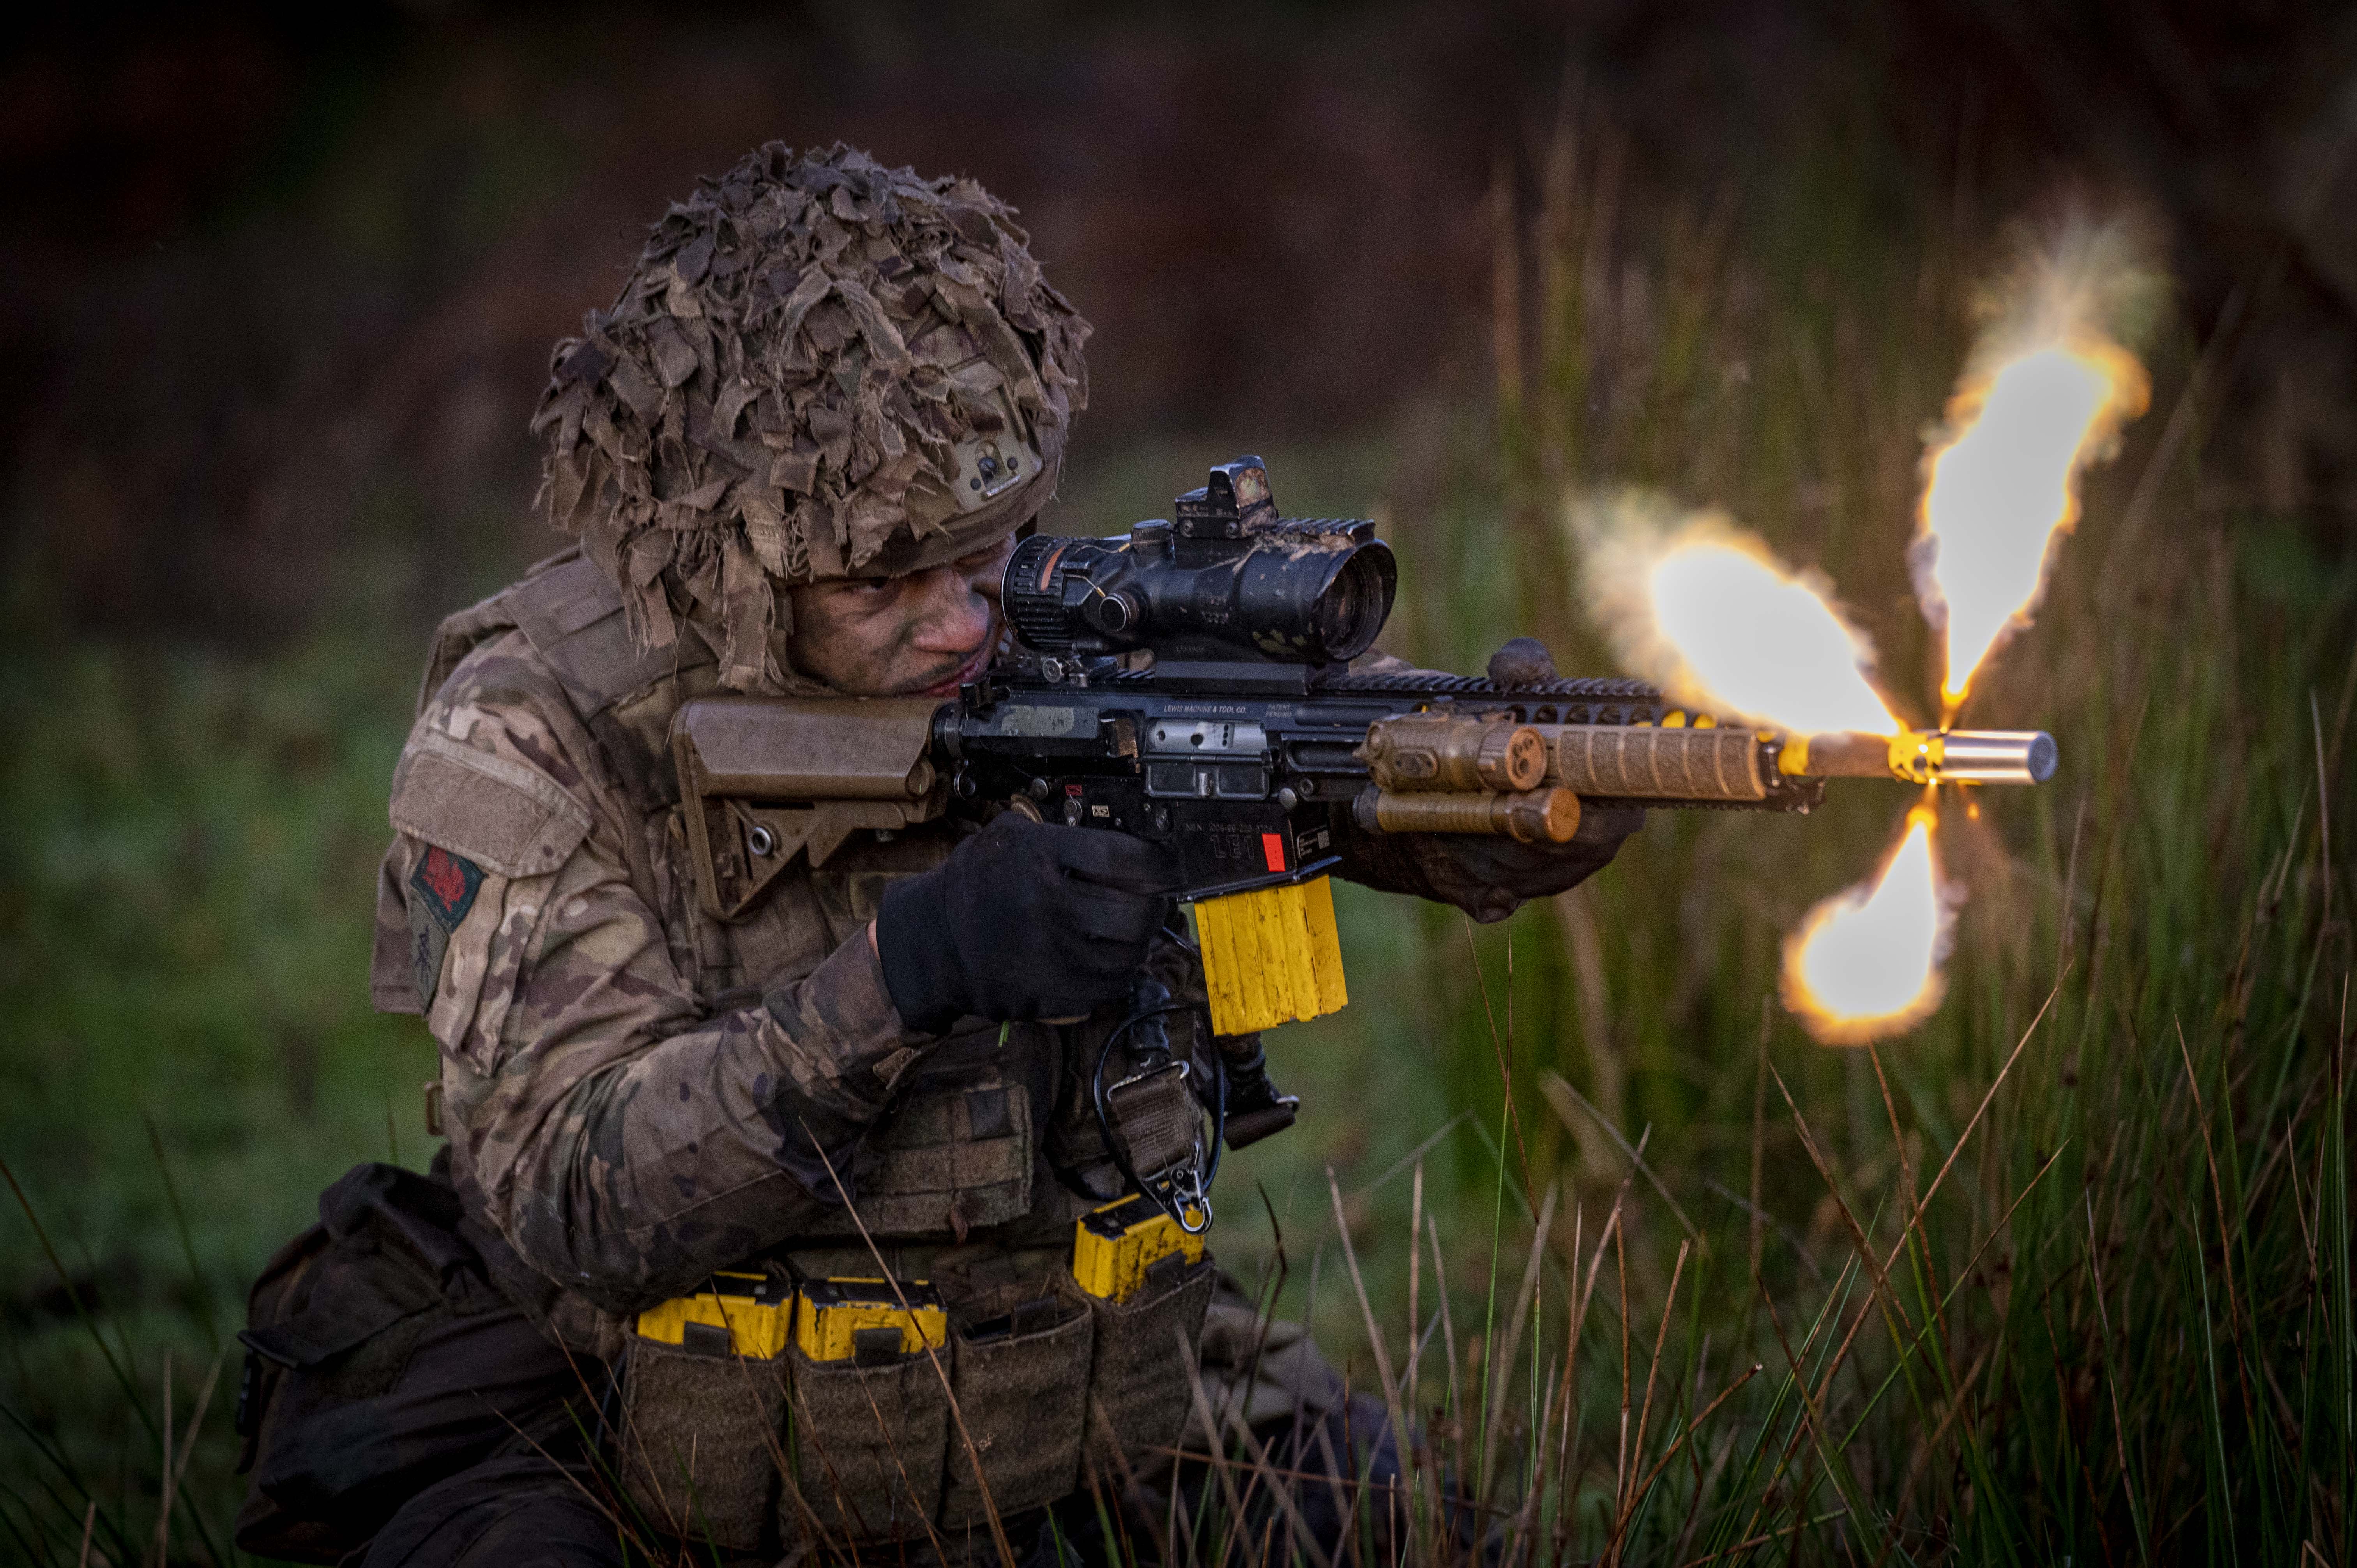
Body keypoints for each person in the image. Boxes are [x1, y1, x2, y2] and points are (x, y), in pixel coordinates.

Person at [248, 142, 1638, 1567]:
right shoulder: (534, 727)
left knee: (1427, 1539)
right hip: (641, 1425)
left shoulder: (1052, 619)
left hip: (1062, 1388)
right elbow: (577, 1199)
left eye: (989, 552)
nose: (965, 625)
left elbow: (1323, 759)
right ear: (737, 562)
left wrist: (1502, 802)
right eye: (881, 580)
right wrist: (909, 973)